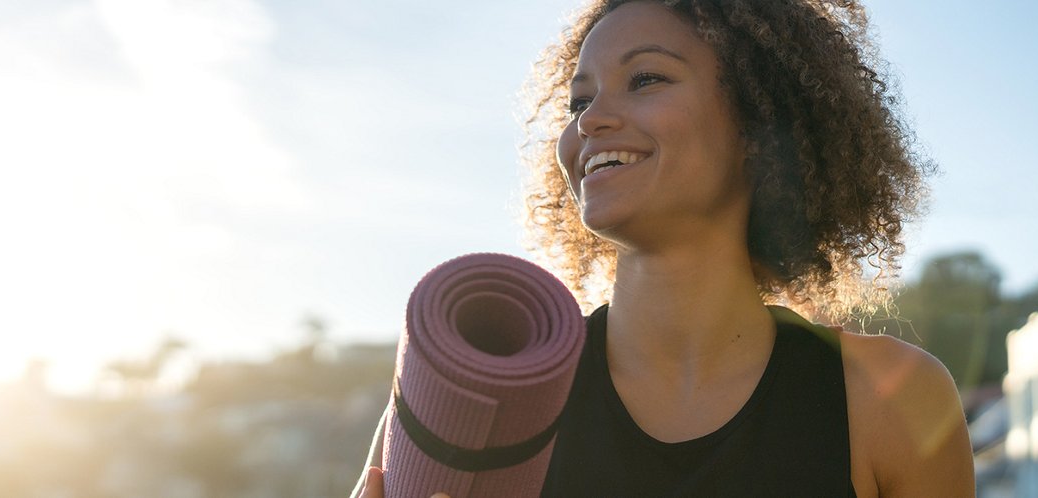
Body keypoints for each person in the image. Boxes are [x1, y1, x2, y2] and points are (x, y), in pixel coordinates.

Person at [354, 0, 975, 496]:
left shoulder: (890, 398)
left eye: (645, 78)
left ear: (759, 124)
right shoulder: (485, 398)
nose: (590, 120)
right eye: (579, 101)